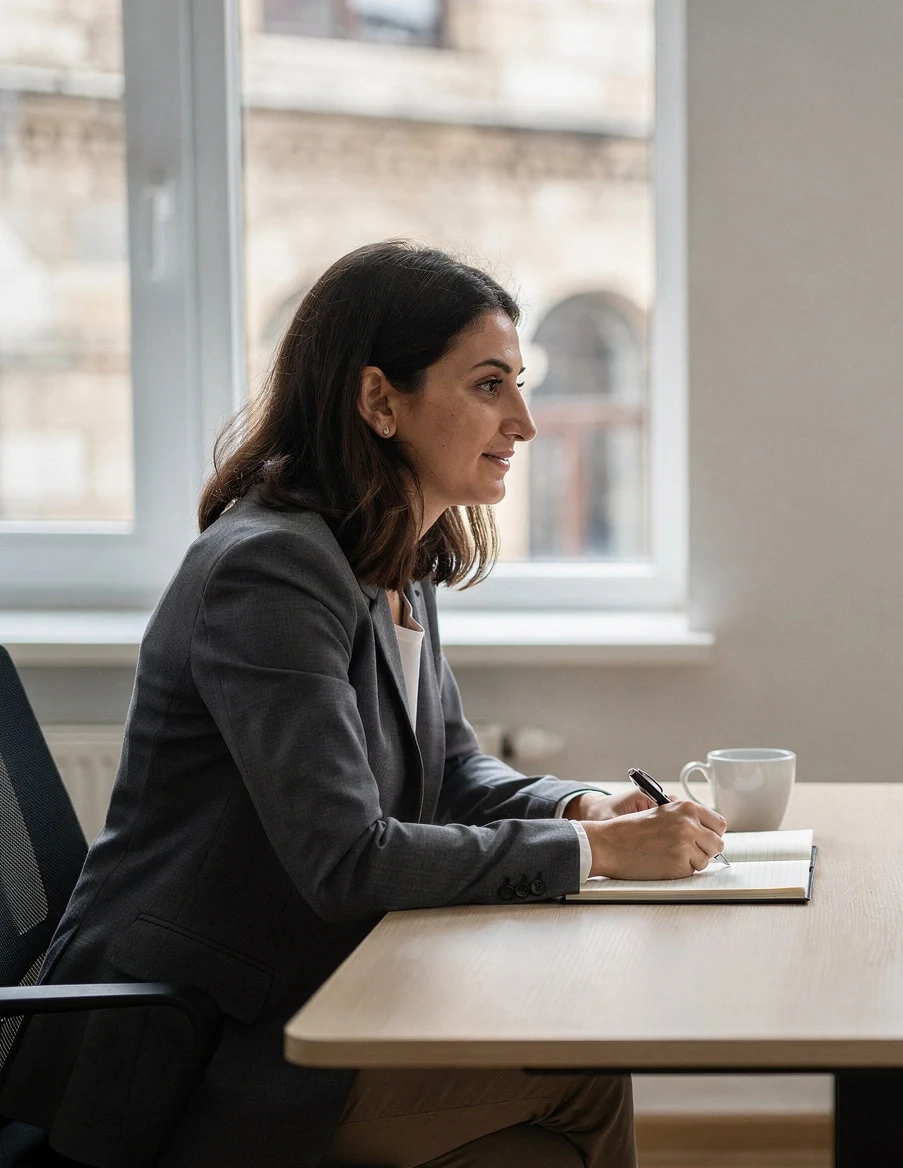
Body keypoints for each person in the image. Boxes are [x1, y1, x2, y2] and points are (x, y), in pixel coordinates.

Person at [0, 241, 726, 1168]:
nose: (526, 423)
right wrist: (592, 854)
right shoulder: (269, 568)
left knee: (546, 1117)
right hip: (197, 1053)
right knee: (583, 1076)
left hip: (307, 996)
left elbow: (453, 767)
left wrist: (577, 806)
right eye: (490, 385)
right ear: (381, 400)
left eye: (520, 383)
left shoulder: (386, 552)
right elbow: (347, 859)